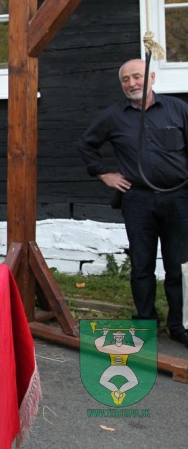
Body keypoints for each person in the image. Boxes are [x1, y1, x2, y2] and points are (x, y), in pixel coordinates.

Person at [76, 58, 188, 348]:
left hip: (178, 198)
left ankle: (180, 325)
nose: (131, 83)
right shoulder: (113, 116)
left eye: (136, 76)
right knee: (141, 264)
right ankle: (146, 322)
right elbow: (86, 145)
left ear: (151, 77)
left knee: (180, 266)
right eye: (125, 79)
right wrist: (104, 173)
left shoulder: (177, 109)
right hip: (137, 200)